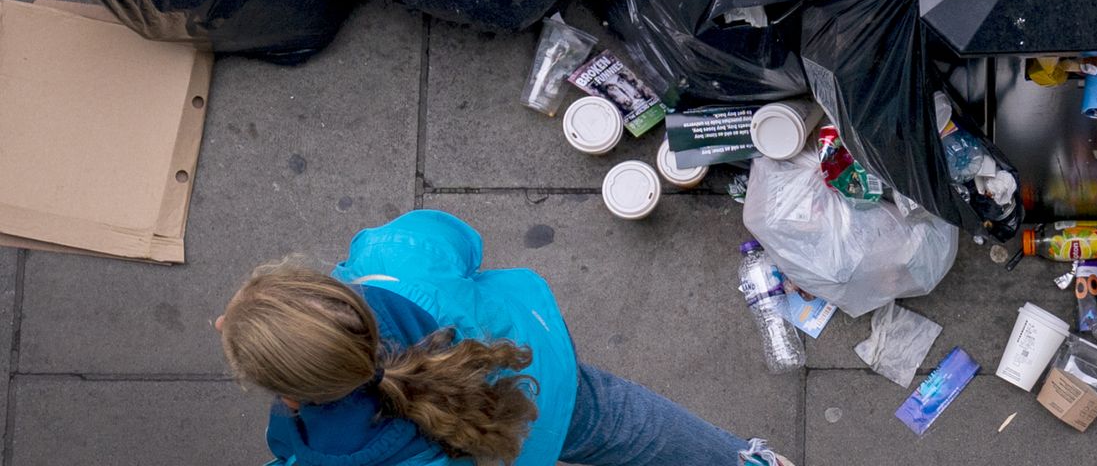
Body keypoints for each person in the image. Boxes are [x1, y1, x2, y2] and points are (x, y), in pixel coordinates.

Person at [217, 209, 792, 466]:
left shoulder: (322, 452)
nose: (219, 323)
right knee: (630, 426)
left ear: (294, 396)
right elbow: (459, 239)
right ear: (336, 295)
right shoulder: (392, 261)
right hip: (543, 389)